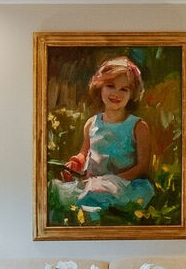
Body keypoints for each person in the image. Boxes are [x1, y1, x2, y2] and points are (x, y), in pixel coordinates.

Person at [53, 56, 156, 218]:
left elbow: (142, 166)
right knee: (57, 189)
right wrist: (76, 162)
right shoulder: (92, 123)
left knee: (98, 192)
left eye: (124, 89)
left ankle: (94, 215)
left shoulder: (138, 126)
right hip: (94, 183)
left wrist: (111, 181)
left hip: (127, 184)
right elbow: (84, 153)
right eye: (111, 86)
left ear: (132, 94)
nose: (116, 93)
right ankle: (90, 211)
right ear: (99, 87)